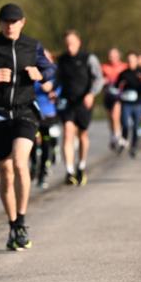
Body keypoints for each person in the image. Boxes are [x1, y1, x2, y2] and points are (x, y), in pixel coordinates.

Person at [0, 4, 55, 250]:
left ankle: (22, 220)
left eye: (14, 21)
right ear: (0, 23)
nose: (10, 25)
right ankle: (13, 224)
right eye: (5, 21)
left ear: (22, 22)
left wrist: (41, 73)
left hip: (25, 112)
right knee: (5, 171)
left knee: (19, 163)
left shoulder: (32, 45)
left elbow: (50, 68)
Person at [56, 29, 104, 186]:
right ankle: (69, 171)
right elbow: (57, 79)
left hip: (83, 101)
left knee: (82, 134)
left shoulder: (88, 58)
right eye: (67, 43)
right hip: (67, 101)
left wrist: (91, 94)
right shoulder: (62, 60)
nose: (70, 46)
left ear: (78, 42)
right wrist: (52, 91)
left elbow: (99, 79)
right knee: (68, 132)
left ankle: (81, 166)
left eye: (72, 43)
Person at [32, 50, 60, 188]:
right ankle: (33, 166)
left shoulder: (55, 74)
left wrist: (53, 91)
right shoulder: (34, 73)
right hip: (34, 113)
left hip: (49, 114)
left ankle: (43, 173)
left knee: (46, 144)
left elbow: (61, 88)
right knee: (31, 142)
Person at [115, 51, 141, 157]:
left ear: (137, 60)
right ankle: (124, 141)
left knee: (136, 126)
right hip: (126, 103)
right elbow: (116, 87)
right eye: (129, 60)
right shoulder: (123, 74)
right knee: (125, 124)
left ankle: (134, 146)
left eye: (133, 60)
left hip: (138, 103)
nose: (131, 62)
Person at [100, 47, 127, 151]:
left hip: (119, 96)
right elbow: (98, 80)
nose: (112, 58)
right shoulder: (104, 67)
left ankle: (118, 136)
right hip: (108, 96)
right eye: (110, 56)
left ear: (119, 56)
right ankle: (113, 135)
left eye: (114, 56)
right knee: (110, 118)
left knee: (115, 116)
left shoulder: (124, 66)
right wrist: (103, 81)